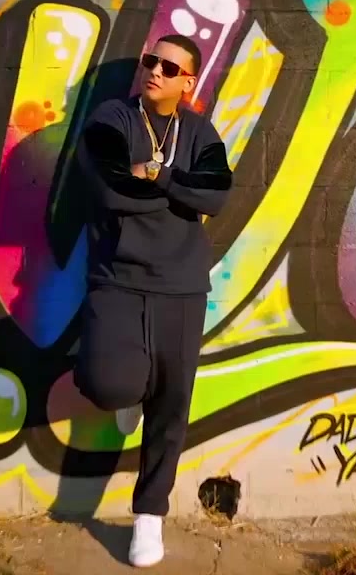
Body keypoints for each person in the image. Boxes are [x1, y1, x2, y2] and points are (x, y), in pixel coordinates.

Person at [73, 34, 232, 567]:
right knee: (106, 382)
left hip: (181, 284)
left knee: (172, 404)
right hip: (116, 279)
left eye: (169, 67)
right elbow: (111, 188)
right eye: (150, 61)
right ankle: (131, 391)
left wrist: (158, 174)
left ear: (188, 82)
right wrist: (177, 189)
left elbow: (217, 194)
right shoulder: (112, 120)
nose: (155, 71)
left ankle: (148, 515)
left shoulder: (200, 132)